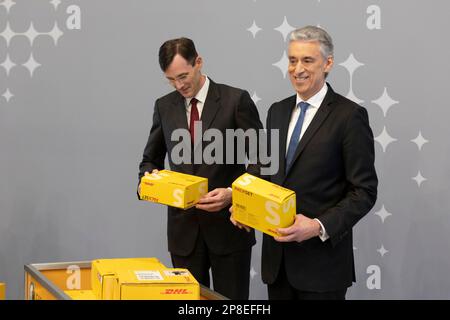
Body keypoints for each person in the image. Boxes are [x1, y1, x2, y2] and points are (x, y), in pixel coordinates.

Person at [231, 26, 378, 300]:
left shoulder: (350, 116)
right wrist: (241, 202)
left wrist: (317, 226)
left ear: (328, 63)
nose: (297, 69)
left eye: (307, 60)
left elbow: (364, 191)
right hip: (277, 266)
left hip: (323, 269)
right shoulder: (277, 110)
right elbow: (263, 168)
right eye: (292, 60)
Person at [138, 37, 263, 299]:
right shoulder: (164, 106)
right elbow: (150, 160)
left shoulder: (235, 100)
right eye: (171, 80)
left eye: (183, 76)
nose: (179, 85)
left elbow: (263, 159)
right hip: (184, 234)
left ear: (199, 62)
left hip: (229, 230)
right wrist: (149, 182)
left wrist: (234, 193)